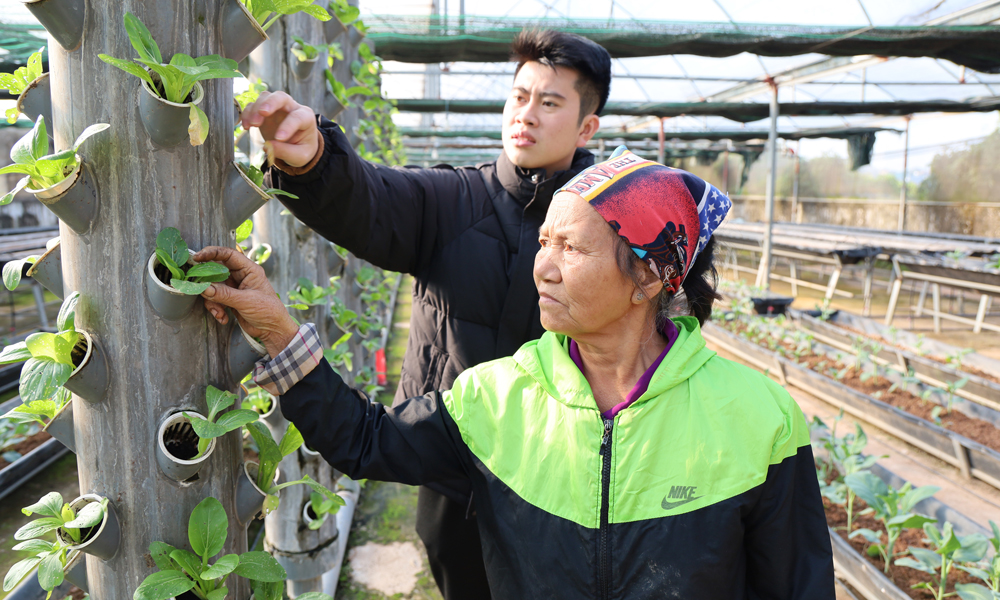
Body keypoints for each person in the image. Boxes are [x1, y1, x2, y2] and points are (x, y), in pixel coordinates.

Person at [197, 147, 835, 599]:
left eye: (572, 248)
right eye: (544, 242)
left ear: (648, 276)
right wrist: (278, 329)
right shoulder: (498, 398)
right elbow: (367, 441)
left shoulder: (759, 420)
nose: (544, 267)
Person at [227, 29, 611, 599]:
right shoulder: (454, 201)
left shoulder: (607, 225)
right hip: (450, 473)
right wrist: (313, 161)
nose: (525, 114)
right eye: (519, 95)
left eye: (549, 102)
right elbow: (372, 200)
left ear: (586, 127)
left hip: (556, 479)